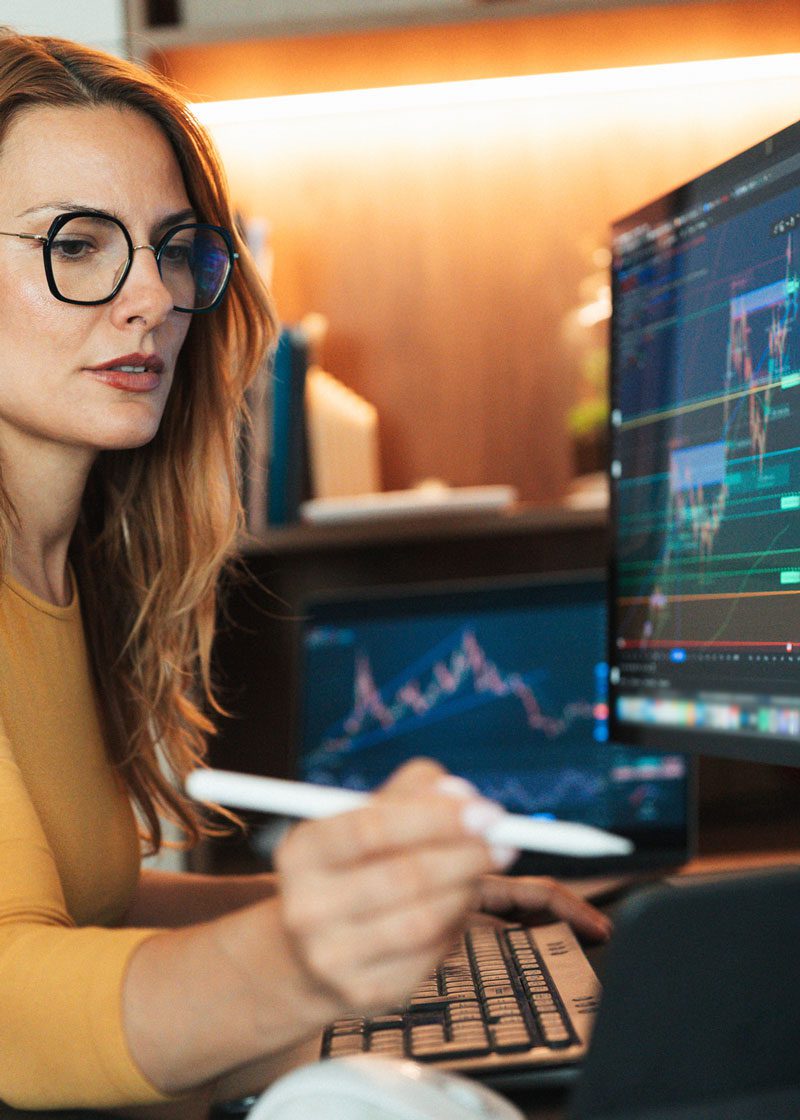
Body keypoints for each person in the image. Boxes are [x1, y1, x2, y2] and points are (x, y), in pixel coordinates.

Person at [0, 28, 611, 1118]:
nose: (148, 298)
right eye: (77, 244)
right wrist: (295, 958)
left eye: (173, 247)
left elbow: (66, 915)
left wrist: (374, 911)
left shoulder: (70, 567)